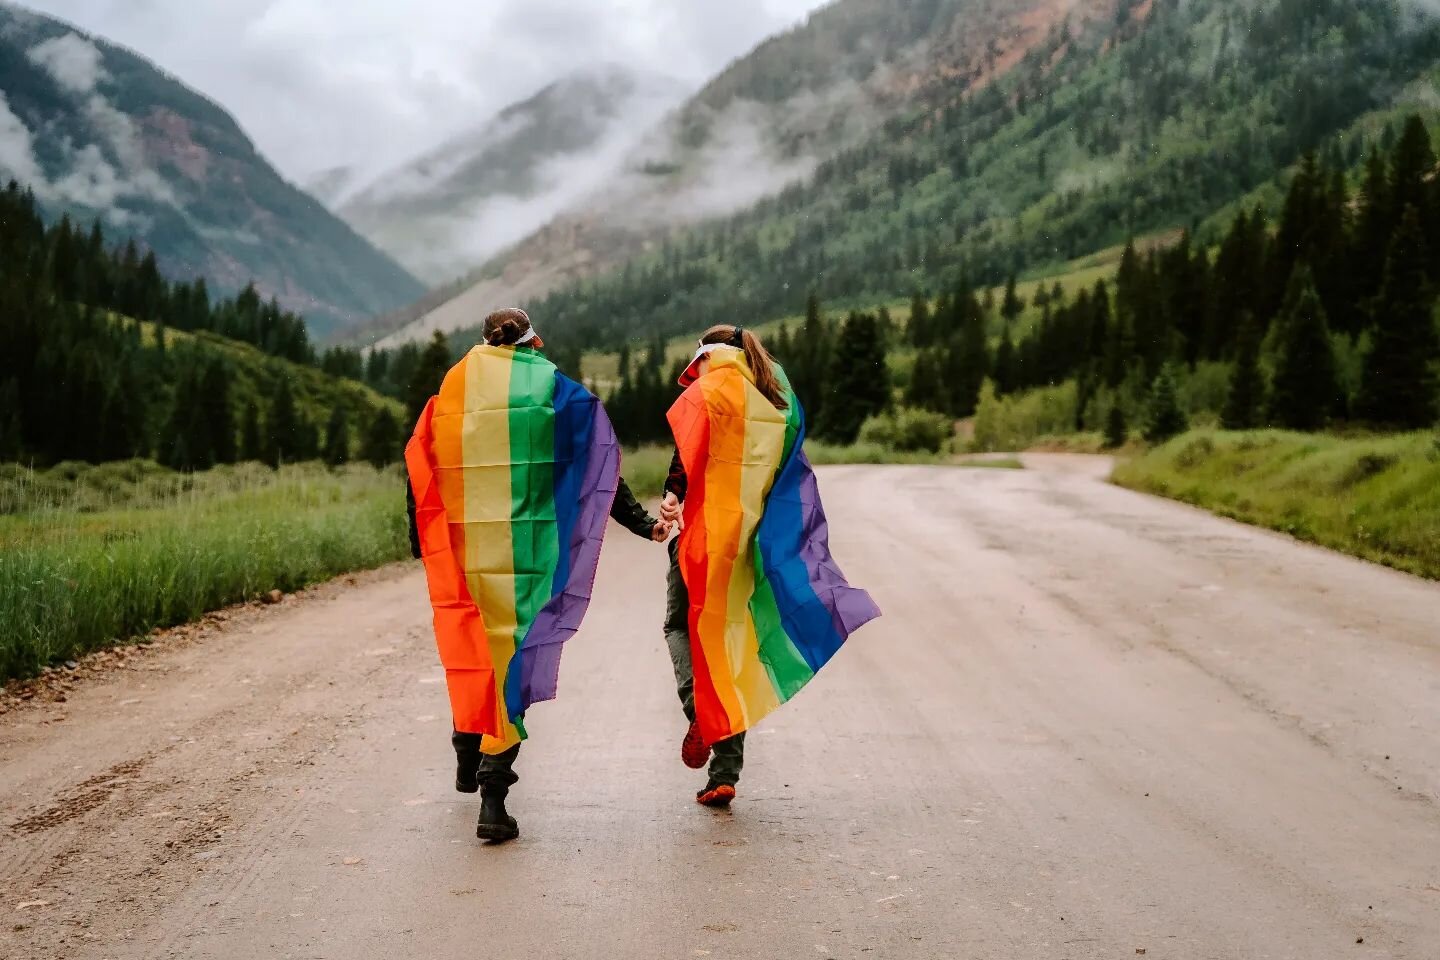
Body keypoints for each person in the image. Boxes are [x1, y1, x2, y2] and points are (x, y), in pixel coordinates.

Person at [406, 308, 669, 843]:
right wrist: (642, 524)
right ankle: (492, 798)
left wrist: (423, 541)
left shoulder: (450, 391)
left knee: (473, 649)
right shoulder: (554, 390)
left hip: (462, 553)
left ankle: (466, 749)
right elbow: (596, 462)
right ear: (534, 341)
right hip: (526, 558)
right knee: (512, 662)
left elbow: (420, 466)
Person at [660, 324, 880, 808]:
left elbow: (686, 457)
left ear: (705, 357)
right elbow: (788, 471)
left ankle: (701, 708)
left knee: (681, 626)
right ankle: (725, 772)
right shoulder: (777, 401)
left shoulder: (709, 392)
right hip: (751, 540)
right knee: (732, 640)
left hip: (701, 538)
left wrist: (672, 497)